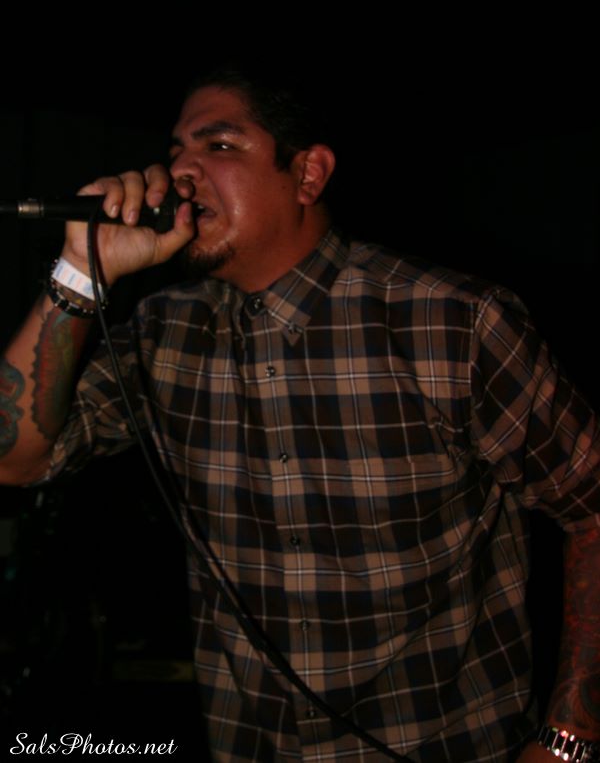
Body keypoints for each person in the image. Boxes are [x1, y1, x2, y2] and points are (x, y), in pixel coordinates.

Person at [1, 68, 599, 762]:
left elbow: (591, 507)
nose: (180, 173)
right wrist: (81, 273)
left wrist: (569, 739)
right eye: (176, 152)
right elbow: (15, 460)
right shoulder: (163, 332)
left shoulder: (451, 322)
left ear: (308, 174)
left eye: (219, 146)